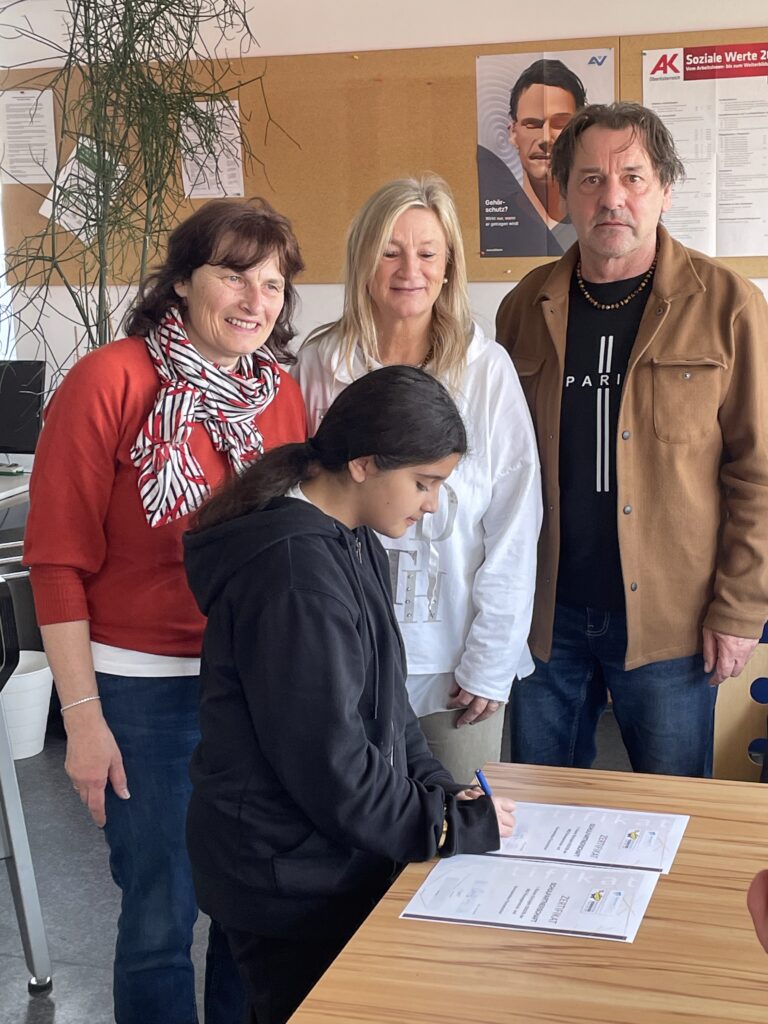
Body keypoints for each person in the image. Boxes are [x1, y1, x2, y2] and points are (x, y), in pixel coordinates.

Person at [23, 197, 308, 1024]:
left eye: (273, 283)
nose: (255, 300)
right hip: (140, 693)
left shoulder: (279, 396)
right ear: (182, 281)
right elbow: (57, 562)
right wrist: (82, 719)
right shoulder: (110, 380)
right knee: (159, 914)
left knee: (249, 910)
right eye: (234, 275)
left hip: (254, 686)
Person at [183, 365, 517, 1024]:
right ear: (363, 465)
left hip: (322, 857)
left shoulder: (351, 537)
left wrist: (442, 794)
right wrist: (445, 825)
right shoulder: (295, 578)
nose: (431, 504)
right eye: (423, 483)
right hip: (285, 876)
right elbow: (330, 766)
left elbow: (388, 713)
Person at [496, 102, 768, 778]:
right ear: (564, 195)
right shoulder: (523, 307)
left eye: (633, 178)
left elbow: (758, 473)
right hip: (544, 620)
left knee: (670, 816)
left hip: (673, 624)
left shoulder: (729, 306)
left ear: (665, 190)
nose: (611, 198)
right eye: (590, 179)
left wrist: (739, 610)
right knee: (536, 807)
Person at [294, 175, 541, 783]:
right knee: (351, 821)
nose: (411, 270)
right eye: (390, 251)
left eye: (428, 253)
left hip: (453, 665)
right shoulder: (321, 363)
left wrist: (491, 658)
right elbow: (297, 504)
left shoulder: (486, 369)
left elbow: (515, 520)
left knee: (459, 821)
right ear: (363, 259)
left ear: (449, 264)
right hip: (342, 653)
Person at [478, 59, 586, 257]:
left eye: (560, 123)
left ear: (579, 132)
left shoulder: (595, 218)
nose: (545, 138)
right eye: (532, 124)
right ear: (513, 133)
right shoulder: (489, 228)